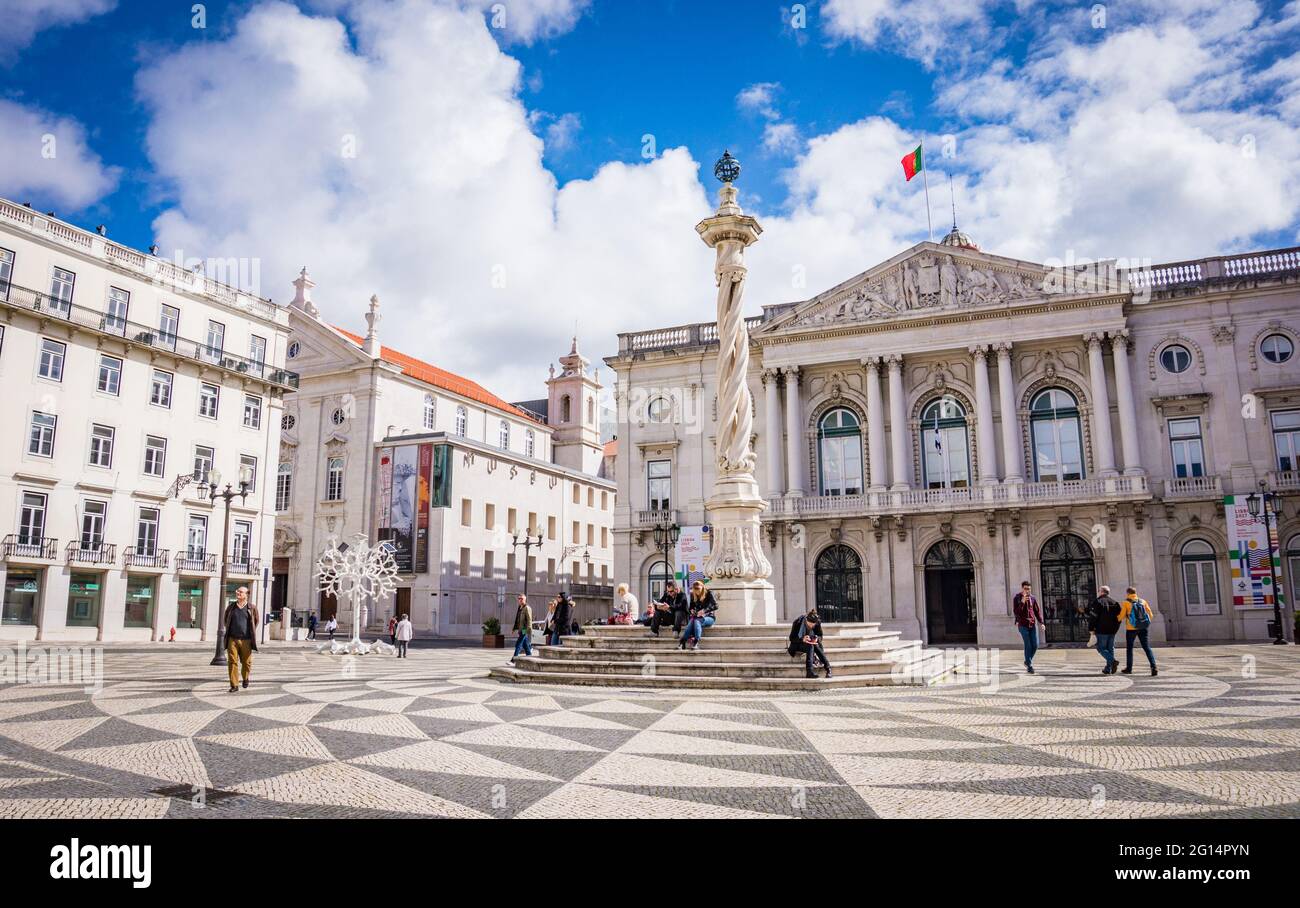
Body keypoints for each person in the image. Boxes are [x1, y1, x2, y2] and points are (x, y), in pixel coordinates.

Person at [223, 586, 258, 692]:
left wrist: (250, 632)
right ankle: (234, 685)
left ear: (246, 594)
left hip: (246, 639)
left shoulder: (252, 608)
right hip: (232, 639)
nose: (238, 593)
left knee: (246, 662)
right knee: (232, 661)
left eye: (241, 592)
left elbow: (256, 621)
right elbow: (226, 620)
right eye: (237, 591)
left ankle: (245, 678)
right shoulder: (231, 607)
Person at [1119, 586, 1158, 676]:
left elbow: (1121, 616)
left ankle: (1129, 668)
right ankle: (1154, 666)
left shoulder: (1126, 602)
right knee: (1146, 647)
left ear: (1128, 593)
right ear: (1135, 593)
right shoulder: (1143, 601)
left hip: (1131, 629)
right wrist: (1144, 623)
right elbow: (1150, 614)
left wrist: (1116, 619)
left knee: (1129, 648)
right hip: (1143, 628)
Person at [1085, 585, 1122, 674]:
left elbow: (1093, 617)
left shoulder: (1097, 602)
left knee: (1100, 648)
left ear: (1101, 592)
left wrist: (1091, 628)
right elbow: (1120, 617)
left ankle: (1113, 661)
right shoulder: (1115, 603)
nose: (1098, 592)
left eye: (1099, 591)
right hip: (1112, 630)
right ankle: (1108, 668)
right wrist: (1116, 627)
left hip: (1101, 629)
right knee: (1110, 648)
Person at [1012, 580, 1044, 674]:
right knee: (1028, 644)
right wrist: (1022, 602)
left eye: (1029, 589)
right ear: (1022, 588)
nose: (1027, 591)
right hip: (1022, 625)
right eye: (1025, 589)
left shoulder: (1033, 598)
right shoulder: (1017, 598)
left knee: (1035, 645)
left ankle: (1027, 661)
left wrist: (1041, 622)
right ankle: (1029, 666)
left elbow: (1037, 611)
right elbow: (1016, 612)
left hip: (1032, 624)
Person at [791, 608, 831, 679]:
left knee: (814, 645)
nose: (812, 626)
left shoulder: (817, 623)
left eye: (813, 625)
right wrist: (802, 639)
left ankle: (828, 669)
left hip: (811, 643)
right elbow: (791, 638)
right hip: (798, 644)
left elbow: (820, 635)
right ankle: (809, 671)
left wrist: (817, 639)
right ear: (806, 620)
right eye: (810, 625)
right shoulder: (798, 622)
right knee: (811, 646)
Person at [679, 580, 718, 651]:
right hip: (697, 616)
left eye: (698, 589)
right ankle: (683, 641)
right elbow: (691, 607)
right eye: (695, 590)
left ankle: (695, 642)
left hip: (709, 617)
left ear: (702, 587)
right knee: (692, 621)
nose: (697, 592)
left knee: (696, 621)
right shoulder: (693, 594)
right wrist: (692, 610)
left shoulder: (709, 593)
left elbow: (716, 606)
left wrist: (704, 611)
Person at [511, 594, 534, 662]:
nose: (520, 600)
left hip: (524, 629)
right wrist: (514, 628)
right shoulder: (520, 607)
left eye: (522, 599)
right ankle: (530, 657)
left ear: (525, 599)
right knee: (525, 645)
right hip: (520, 629)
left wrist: (528, 629)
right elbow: (517, 619)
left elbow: (529, 619)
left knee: (519, 643)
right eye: (519, 598)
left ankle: (513, 660)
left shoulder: (527, 608)